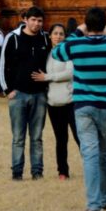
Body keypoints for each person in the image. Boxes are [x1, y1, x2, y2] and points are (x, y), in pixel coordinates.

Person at [54, 7, 106, 211]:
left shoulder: (76, 44)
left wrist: (78, 31)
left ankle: (94, 203)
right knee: (104, 155)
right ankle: (104, 198)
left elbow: (57, 52)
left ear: (87, 25)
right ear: (105, 24)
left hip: (83, 105)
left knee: (90, 154)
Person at [0, 6, 50, 180]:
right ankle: (17, 172)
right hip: (18, 94)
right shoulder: (13, 38)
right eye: (33, 20)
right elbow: (3, 64)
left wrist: (47, 83)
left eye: (40, 21)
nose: (36, 24)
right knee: (18, 137)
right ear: (25, 20)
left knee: (37, 137)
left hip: (39, 94)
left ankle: (37, 171)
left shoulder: (45, 39)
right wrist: (7, 89)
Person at [31, 23, 79, 180]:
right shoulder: (47, 53)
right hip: (53, 102)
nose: (58, 36)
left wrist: (48, 77)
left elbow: (70, 72)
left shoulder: (68, 52)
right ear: (50, 35)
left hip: (70, 101)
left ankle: (93, 166)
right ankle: (63, 171)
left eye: (61, 34)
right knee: (61, 139)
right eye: (55, 33)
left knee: (79, 136)